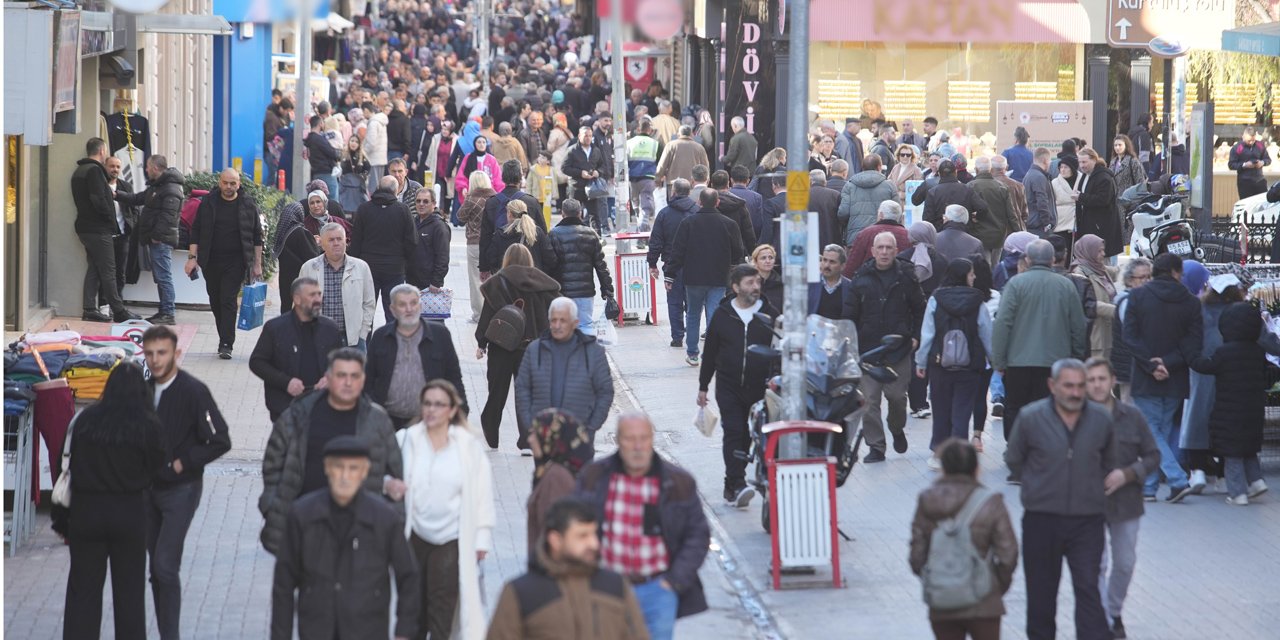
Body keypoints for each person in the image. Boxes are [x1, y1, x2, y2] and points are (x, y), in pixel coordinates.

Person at [1005, 358, 1120, 640]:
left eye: (1081, 386)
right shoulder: (1031, 417)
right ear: (1052, 386)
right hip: (1042, 520)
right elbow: (1014, 460)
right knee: (1041, 597)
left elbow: (1110, 460)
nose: (1076, 393)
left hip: (1087, 521)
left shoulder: (1100, 418)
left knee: (1089, 591)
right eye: (1068, 386)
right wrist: (1041, 485)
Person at [574, 413, 710, 640]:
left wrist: (673, 580)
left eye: (644, 438)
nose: (638, 446)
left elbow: (698, 534)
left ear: (652, 439)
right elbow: (573, 528)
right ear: (617, 440)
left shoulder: (677, 482)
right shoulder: (594, 477)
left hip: (657, 590)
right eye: (630, 439)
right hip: (607, 589)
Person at [270, 435, 419, 640]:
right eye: (338, 467)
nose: (345, 476)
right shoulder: (303, 515)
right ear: (326, 469)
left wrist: (404, 630)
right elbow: (283, 583)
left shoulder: (384, 518)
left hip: (367, 628)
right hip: (317, 628)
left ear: (364, 472)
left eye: (353, 468)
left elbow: (408, 576)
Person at [137, 325, 234, 639]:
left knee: (165, 566)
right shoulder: (142, 391)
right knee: (156, 571)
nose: (155, 360)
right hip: (147, 490)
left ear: (176, 353)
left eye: (161, 353)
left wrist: (183, 463)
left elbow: (220, 440)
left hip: (181, 489)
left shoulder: (193, 391)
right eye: (149, 353)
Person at [258, 348, 404, 555]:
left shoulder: (377, 421)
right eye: (341, 375)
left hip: (361, 531)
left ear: (363, 379)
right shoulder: (298, 416)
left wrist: (391, 522)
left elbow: (396, 474)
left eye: (354, 376)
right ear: (327, 378)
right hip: (306, 526)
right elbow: (272, 465)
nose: (348, 382)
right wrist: (272, 508)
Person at [60, 362, 163, 640]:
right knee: (129, 593)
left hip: (86, 514)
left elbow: (68, 461)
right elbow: (158, 469)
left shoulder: (86, 420)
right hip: (129, 516)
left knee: (83, 590)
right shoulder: (147, 425)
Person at [398, 379, 495, 640]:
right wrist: (390, 486)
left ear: (452, 410)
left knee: (442, 609)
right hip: (414, 534)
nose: (432, 410)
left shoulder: (467, 447)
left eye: (439, 404)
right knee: (414, 607)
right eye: (427, 403)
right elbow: (384, 475)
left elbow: (482, 494)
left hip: (452, 537)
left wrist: (481, 540)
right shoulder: (405, 440)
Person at [488, 498, 649, 640]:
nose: (593, 544)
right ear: (556, 540)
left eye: (594, 534)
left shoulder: (615, 585)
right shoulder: (521, 592)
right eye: (582, 536)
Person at [909, 439, 1018, 640]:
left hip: (943, 601)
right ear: (976, 467)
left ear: (943, 467)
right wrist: (993, 586)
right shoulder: (991, 502)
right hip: (984, 602)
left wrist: (937, 580)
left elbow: (917, 557)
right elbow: (1008, 554)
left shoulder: (927, 500)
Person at [1084, 358, 1159, 640]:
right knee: (1096, 564)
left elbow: (1153, 455)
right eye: (1091, 380)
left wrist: (1128, 474)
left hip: (1126, 503)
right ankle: (1105, 621)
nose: (1097, 384)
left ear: (1113, 380)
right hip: (1088, 505)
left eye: (1102, 378)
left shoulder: (1132, 416)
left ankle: (1114, 610)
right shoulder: (1074, 418)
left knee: (1125, 562)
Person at [990, 240, 1088, 448]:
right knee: (1049, 409)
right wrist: (1078, 358)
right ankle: (1043, 451)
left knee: (1015, 407)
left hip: (1018, 361)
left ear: (1028, 259)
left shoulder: (1016, 284)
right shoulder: (1065, 285)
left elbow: (1002, 324)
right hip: (1055, 361)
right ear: (1053, 259)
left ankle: (1017, 451)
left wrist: (998, 360)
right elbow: (1078, 326)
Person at [1123, 253, 1202, 503]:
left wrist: (1150, 364)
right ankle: (1149, 487)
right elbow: (1194, 343)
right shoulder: (1191, 302)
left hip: (1146, 377)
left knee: (1150, 432)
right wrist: (1167, 362)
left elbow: (1130, 337)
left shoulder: (1136, 296)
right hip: (1175, 377)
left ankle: (1177, 481)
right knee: (1161, 430)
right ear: (1177, 273)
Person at [698, 264, 778, 505]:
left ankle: (734, 480)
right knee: (733, 431)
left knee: (750, 436)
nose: (756, 287)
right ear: (735, 287)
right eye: (749, 283)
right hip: (729, 385)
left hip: (760, 387)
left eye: (757, 282)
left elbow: (780, 348)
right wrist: (703, 386)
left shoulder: (770, 313)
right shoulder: (723, 314)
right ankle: (736, 481)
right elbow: (710, 352)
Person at [844, 232, 927, 462]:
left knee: (898, 398)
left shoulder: (906, 277)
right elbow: (849, 315)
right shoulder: (861, 278)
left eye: (888, 248)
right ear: (872, 251)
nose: (884, 252)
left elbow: (920, 309)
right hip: (868, 351)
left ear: (895, 250)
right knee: (869, 401)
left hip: (899, 349)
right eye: (879, 247)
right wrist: (850, 343)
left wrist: (916, 337)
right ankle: (876, 447)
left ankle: (897, 428)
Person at [476, 245, 562, 450]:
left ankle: (491, 429)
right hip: (532, 348)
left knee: (496, 392)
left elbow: (487, 315)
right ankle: (526, 441)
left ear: (506, 259)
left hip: (501, 346)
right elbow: (557, 311)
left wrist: (482, 343)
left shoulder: (497, 283)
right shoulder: (543, 283)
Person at [1188, 302, 1269, 507]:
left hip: (1228, 414)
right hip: (1253, 411)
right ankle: (1257, 481)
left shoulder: (1224, 353)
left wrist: (1191, 357)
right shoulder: (1257, 352)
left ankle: (1237, 494)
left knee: (1232, 453)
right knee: (1249, 449)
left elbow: (1205, 366)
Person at [915, 259, 992, 462]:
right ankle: (958, 454)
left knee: (940, 408)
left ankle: (939, 451)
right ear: (963, 276)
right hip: (970, 366)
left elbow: (928, 334)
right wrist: (995, 361)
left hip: (940, 363)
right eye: (971, 273)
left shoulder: (936, 299)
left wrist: (921, 362)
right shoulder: (978, 302)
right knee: (962, 410)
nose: (974, 277)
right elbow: (986, 334)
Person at [515, 297, 615, 454]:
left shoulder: (593, 352)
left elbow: (605, 391)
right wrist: (531, 426)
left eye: (563, 320)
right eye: (553, 320)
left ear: (575, 323)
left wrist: (590, 427)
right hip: (544, 438)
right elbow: (522, 388)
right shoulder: (535, 350)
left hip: (580, 439)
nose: (557, 325)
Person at [186, 169, 264, 359]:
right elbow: (195, 231)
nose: (229, 187)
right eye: (226, 183)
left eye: (233, 183)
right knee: (215, 300)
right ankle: (224, 336)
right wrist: (192, 258)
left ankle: (226, 343)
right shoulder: (208, 203)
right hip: (210, 260)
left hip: (236, 261)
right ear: (220, 182)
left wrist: (257, 264)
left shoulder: (247, 203)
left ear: (239, 184)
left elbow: (257, 236)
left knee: (227, 300)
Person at [366, 285, 468, 429]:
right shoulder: (380, 337)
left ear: (420, 306)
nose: (409, 309)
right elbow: (368, 380)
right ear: (392, 310)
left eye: (413, 303)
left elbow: (454, 378)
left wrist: (461, 415)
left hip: (428, 422)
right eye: (402, 304)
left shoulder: (440, 335)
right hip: (387, 422)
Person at [664, 189, 745, 366]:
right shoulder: (728, 224)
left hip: (693, 278)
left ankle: (693, 353)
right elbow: (738, 251)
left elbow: (677, 252)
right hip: (718, 276)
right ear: (717, 203)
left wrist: (670, 276)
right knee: (714, 314)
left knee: (693, 314)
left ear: (699, 202)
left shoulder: (688, 223)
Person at [250, 278, 344, 422]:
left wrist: (330, 378)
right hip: (285, 407)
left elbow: (342, 362)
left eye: (319, 294)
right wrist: (286, 382)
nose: (318, 299)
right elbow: (257, 362)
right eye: (312, 295)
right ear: (297, 299)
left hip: (323, 406)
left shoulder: (330, 328)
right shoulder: (275, 329)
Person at [73, 138, 139, 322]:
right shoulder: (94, 171)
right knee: (109, 271)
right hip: (98, 229)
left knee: (94, 267)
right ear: (102, 151)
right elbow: (98, 200)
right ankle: (119, 311)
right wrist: (110, 220)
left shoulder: (79, 171)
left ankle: (89, 308)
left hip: (85, 227)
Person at [113, 154, 183, 324]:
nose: (146, 170)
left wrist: (157, 237)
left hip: (161, 241)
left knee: (163, 276)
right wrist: (117, 194)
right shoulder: (158, 187)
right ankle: (164, 311)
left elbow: (168, 217)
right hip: (156, 239)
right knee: (161, 276)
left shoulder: (170, 189)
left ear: (156, 168)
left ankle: (168, 313)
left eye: (148, 167)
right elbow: (138, 198)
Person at [524, 411, 594, 554]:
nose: (530, 440)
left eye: (535, 434)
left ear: (550, 438)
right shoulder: (552, 469)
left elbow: (552, 531)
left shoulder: (556, 477)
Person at [351, 176, 419, 323]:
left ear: (377, 189)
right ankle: (392, 344)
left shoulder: (364, 209)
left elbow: (355, 240)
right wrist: (405, 263)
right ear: (396, 191)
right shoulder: (403, 210)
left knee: (366, 314)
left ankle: (365, 345)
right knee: (394, 313)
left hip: (368, 269)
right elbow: (412, 242)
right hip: (395, 269)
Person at [299, 223, 377, 350]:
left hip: (353, 339)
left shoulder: (361, 267)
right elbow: (299, 303)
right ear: (322, 244)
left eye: (339, 239)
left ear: (345, 241)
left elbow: (369, 303)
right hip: (318, 338)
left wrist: (363, 333)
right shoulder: (309, 268)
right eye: (331, 240)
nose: (336, 243)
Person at [549, 198, 614, 335]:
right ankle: (586, 354)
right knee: (586, 325)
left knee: (564, 329)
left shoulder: (554, 234)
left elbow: (550, 265)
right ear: (580, 213)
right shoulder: (590, 234)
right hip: (585, 292)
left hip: (563, 292)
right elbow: (601, 266)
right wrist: (607, 290)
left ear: (562, 213)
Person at [648, 180, 698, 347]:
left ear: (674, 192)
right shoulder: (697, 212)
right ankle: (692, 334)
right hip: (694, 264)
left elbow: (656, 242)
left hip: (671, 265)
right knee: (692, 302)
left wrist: (652, 263)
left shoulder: (664, 214)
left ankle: (677, 336)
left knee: (674, 301)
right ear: (689, 192)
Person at [480, 161, 547, 273]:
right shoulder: (531, 202)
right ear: (520, 177)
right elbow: (543, 235)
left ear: (503, 177)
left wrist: (484, 267)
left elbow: (485, 238)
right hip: (529, 264)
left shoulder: (492, 203)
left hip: (501, 265)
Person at [1109, 257, 1152, 404]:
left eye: (1149, 277)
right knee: (1129, 409)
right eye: (1142, 277)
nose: (1147, 281)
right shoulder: (1127, 301)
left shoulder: (1141, 299)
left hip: (1136, 364)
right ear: (1129, 280)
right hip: (1128, 366)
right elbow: (1134, 333)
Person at [968, 156, 1023, 267]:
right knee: (995, 264)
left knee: (984, 265)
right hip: (999, 234)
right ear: (990, 169)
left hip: (978, 233)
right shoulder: (1002, 187)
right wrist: (1019, 231)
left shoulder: (970, 186)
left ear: (976, 170)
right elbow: (1011, 214)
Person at [457, 170, 497, 321]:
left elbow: (460, 217)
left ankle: (479, 315)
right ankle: (492, 311)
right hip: (492, 242)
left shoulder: (471, 199)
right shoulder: (495, 197)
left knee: (475, 279)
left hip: (475, 243)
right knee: (492, 278)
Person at [1071, 235, 1118, 360]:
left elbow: (1120, 271)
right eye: (1099, 251)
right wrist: (1119, 310)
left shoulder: (1099, 268)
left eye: (1103, 250)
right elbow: (1089, 304)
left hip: (1108, 333)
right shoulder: (1079, 273)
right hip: (1095, 338)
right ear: (1088, 251)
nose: (1103, 254)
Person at [271, 199, 321, 314]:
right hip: (301, 279)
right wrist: (316, 244)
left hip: (285, 279)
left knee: (286, 309)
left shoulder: (282, 232)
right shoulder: (300, 232)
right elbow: (312, 257)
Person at [1074, 149, 1124, 258]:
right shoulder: (1085, 175)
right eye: (1080, 162)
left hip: (1101, 227)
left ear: (1094, 160)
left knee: (1103, 262)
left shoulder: (1103, 177)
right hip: (1090, 225)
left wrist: (1080, 197)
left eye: (1084, 162)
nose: (1081, 166)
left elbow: (1103, 199)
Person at [562, 126, 613, 234]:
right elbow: (564, 168)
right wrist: (580, 173)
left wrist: (597, 172)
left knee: (594, 214)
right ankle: (573, 234)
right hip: (576, 187)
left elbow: (602, 165)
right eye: (585, 135)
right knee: (573, 213)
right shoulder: (572, 150)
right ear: (579, 136)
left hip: (592, 187)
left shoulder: (596, 150)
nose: (588, 138)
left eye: (590, 136)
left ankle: (597, 237)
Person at [486, 199, 558, 275]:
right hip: (533, 279)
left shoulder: (501, 234)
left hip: (508, 280)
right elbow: (550, 259)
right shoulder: (537, 232)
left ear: (509, 214)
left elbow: (492, 259)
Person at [837, 154, 896, 245]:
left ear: (863, 167)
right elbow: (895, 213)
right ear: (879, 167)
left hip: (855, 238)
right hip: (882, 238)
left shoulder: (849, 186)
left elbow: (843, 213)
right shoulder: (889, 186)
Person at [845, 200, 910, 275]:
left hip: (870, 280)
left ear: (881, 215)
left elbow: (852, 265)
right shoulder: (908, 236)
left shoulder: (865, 234)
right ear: (900, 217)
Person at [923, 160, 986, 232]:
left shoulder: (933, 192)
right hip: (964, 233)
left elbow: (927, 219)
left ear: (939, 174)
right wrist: (976, 218)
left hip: (941, 234)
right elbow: (983, 208)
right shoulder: (967, 190)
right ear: (956, 173)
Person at [409, 187, 450, 290]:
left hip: (428, 284)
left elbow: (443, 257)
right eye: (418, 201)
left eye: (425, 201)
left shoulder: (439, 226)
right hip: (411, 281)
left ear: (434, 203)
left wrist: (436, 282)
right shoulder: (413, 222)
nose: (421, 204)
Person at [654, 125, 710, 194]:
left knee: (674, 204)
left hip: (673, 185)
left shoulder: (670, 146)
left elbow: (662, 165)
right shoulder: (699, 147)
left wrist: (657, 179)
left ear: (678, 134)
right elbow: (705, 167)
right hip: (692, 184)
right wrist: (706, 181)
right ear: (692, 134)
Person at [716, 170, 762, 253]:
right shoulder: (755, 198)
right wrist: (752, 249)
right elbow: (755, 226)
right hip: (739, 247)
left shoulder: (709, 201)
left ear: (731, 180)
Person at [810, 245, 853, 320]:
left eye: (832, 262)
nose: (827, 265)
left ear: (842, 266)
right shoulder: (811, 284)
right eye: (824, 260)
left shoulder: (850, 288)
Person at [1228, 126, 1271, 199]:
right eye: (1249, 141)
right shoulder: (1237, 148)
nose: (1251, 143)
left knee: (1261, 203)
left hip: (1259, 180)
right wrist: (1244, 165)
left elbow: (1268, 159)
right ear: (1243, 137)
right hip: (1245, 182)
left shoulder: (1260, 145)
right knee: (1246, 204)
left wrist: (1262, 163)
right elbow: (1231, 164)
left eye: (1253, 140)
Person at [1023, 147, 1056, 237]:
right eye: (1049, 161)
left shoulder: (1029, 174)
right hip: (1039, 226)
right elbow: (1042, 201)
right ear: (1045, 160)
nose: (1049, 164)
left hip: (1033, 223)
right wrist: (1047, 223)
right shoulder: (1039, 177)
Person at [304, 115, 341, 196]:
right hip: (327, 174)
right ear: (320, 123)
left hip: (316, 173)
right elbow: (332, 153)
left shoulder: (309, 139)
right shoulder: (319, 139)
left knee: (320, 199)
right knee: (333, 201)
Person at [991, 155, 1027, 230]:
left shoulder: (987, 186)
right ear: (1007, 167)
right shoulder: (1019, 186)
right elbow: (1025, 213)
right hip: (1016, 230)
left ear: (990, 168)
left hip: (995, 231)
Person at [339, 134, 372, 215]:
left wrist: (363, 176)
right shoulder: (343, 154)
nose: (354, 143)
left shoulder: (362, 156)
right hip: (345, 188)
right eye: (352, 141)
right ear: (349, 142)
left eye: (356, 142)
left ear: (359, 144)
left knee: (358, 210)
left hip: (358, 188)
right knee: (344, 209)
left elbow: (368, 168)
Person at [1109, 136, 1145, 207]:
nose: (1117, 147)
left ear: (1126, 146)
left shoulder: (1133, 161)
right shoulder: (1113, 162)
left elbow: (1140, 183)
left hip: (1128, 201)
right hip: (1114, 201)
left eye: (1120, 145)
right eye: (1115, 145)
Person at [362, 100, 390, 191]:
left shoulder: (373, 123)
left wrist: (363, 154)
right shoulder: (381, 121)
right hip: (380, 158)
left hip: (373, 159)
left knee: (372, 188)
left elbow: (371, 142)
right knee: (378, 186)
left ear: (366, 110)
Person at [751, 243, 785, 316]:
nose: (768, 261)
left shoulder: (780, 284)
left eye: (771, 258)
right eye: (763, 258)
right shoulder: (749, 283)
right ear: (755, 262)